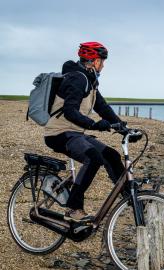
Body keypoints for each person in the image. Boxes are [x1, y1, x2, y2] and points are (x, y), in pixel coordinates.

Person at [44, 42, 125, 222]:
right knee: (94, 158)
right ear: (94, 61)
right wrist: (94, 125)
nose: (103, 65)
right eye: (101, 61)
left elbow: (102, 106)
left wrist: (122, 127)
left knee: (111, 155)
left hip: (74, 132)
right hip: (59, 133)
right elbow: (70, 111)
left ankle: (128, 195)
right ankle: (73, 208)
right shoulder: (77, 79)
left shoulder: (90, 80)